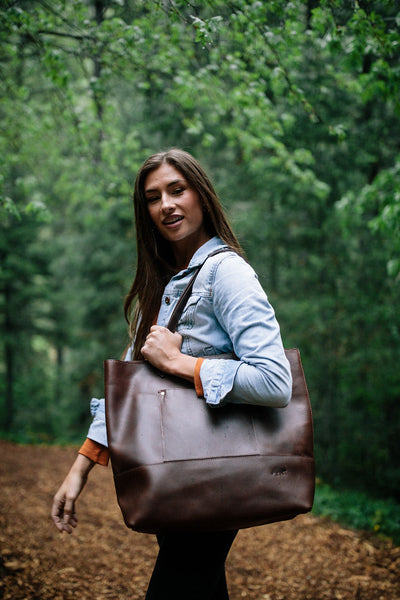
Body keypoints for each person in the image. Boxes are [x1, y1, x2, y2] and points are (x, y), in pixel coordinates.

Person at [51, 148, 292, 599]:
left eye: (177, 189)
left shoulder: (228, 272)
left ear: (201, 194)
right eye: (153, 196)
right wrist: (81, 466)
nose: (166, 204)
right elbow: (130, 387)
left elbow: (275, 381)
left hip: (215, 471)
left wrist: (181, 363)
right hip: (177, 471)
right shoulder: (164, 284)